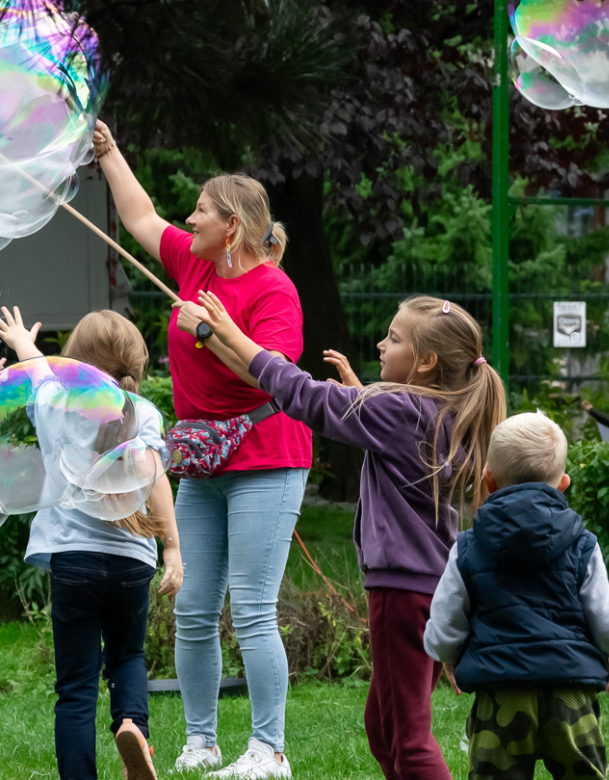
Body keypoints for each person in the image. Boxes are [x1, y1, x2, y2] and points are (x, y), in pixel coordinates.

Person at [181, 290, 505, 780]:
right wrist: (218, 337)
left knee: (409, 738)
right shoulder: (435, 413)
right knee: (383, 724)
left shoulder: (401, 414)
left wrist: (228, 333)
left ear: (426, 362)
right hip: (423, 588)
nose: (380, 343)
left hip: (403, 591)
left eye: (393, 338)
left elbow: (304, 394)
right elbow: (359, 410)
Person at [92, 121, 312, 778]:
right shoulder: (193, 261)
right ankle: (201, 740)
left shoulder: (274, 289)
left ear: (233, 227)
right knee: (192, 606)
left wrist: (213, 331)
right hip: (201, 459)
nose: (190, 219)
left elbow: (274, 374)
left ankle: (269, 749)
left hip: (266, 457)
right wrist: (109, 154)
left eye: (203, 211)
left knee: (249, 607)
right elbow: (137, 214)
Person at [0, 306, 183, 780]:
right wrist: (174, 550)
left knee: (75, 688)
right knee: (129, 657)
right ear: (134, 364)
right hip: (133, 562)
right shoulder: (147, 414)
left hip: (73, 561)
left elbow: (38, 371)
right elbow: (155, 477)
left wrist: (21, 340)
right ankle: (134, 725)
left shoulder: (57, 404)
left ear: (75, 363)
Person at [422, 411, 609, 780]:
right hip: (570, 693)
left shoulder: (467, 548)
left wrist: (448, 654)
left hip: (501, 693)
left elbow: (446, 621)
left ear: (489, 480)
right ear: (563, 484)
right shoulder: (582, 545)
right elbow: (605, 618)